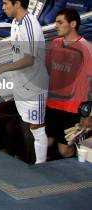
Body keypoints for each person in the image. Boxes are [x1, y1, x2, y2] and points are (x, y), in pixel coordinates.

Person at [0, 0, 48, 164]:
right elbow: (16, 52)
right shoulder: (16, 22)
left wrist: (2, 69)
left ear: (17, 4)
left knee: (35, 128)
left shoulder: (30, 25)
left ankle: (41, 165)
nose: (3, 7)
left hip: (33, 84)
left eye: (5, 3)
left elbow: (29, 59)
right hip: (16, 78)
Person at [45, 9, 92, 158]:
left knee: (64, 149)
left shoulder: (86, 49)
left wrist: (87, 114)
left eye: (60, 22)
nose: (55, 26)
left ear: (72, 24)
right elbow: (48, 70)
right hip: (52, 104)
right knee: (46, 142)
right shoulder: (54, 44)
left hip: (72, 108)